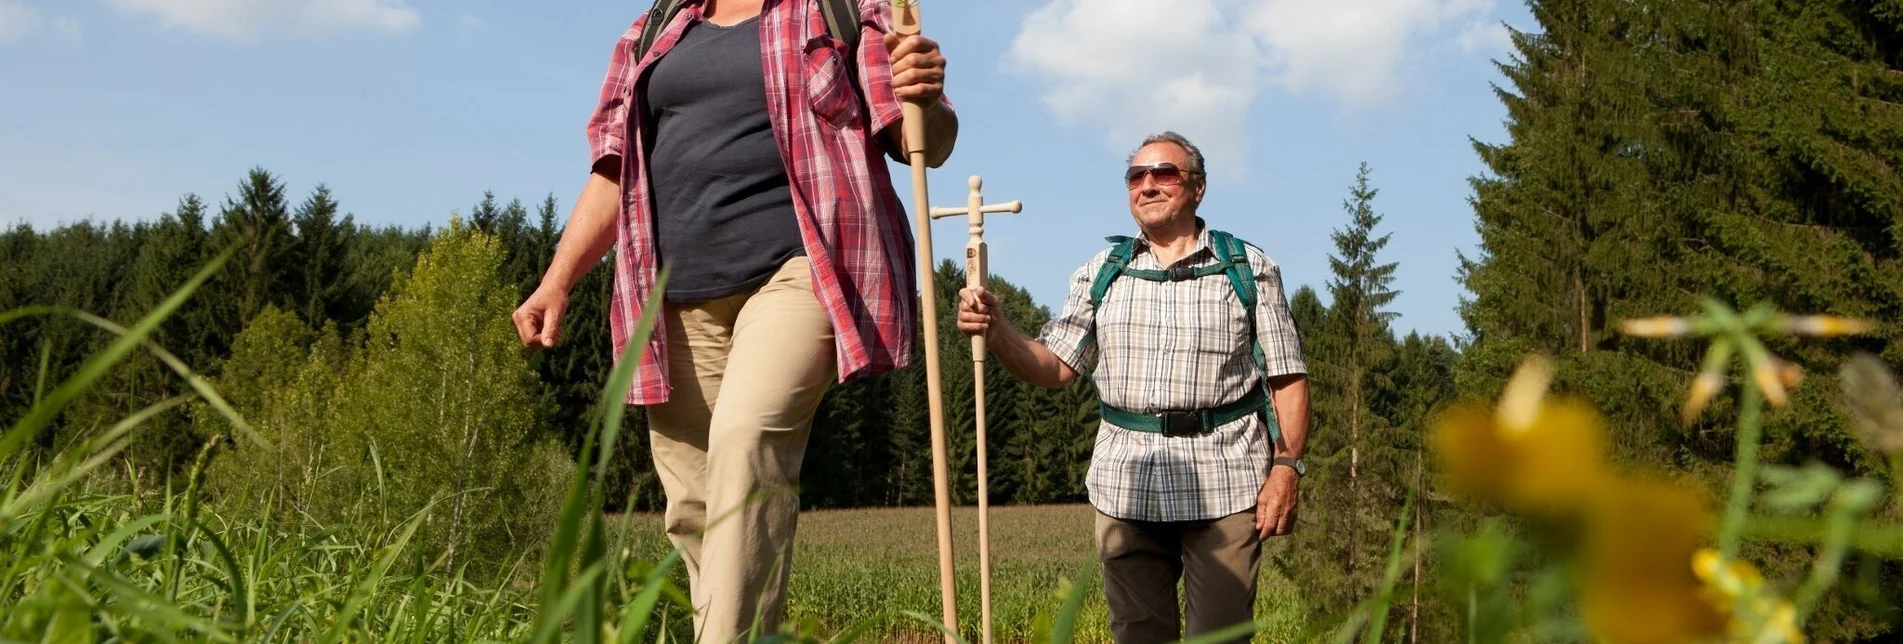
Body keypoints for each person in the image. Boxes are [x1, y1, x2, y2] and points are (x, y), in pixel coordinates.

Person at [510, 0, 957, 640]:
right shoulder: (652, 30)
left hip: (805, 265)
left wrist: (927, 96)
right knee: (694, 509)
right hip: (670, 294)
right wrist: (556, 281)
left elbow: (922, 141)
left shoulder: (841, 10)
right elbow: (614, 169)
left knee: (747, 441)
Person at [954, 132, 1310, 643]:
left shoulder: (1248, 269)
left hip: (1227, 481)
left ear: (1199, 187)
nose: (1147, 185)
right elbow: (1054, 366)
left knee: (1222, 636)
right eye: (1136, 177)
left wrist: (1286, 468)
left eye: (1164, 173)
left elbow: (1288, 378)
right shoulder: (1102, 273)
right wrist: (998, 329)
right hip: (1126, 487)